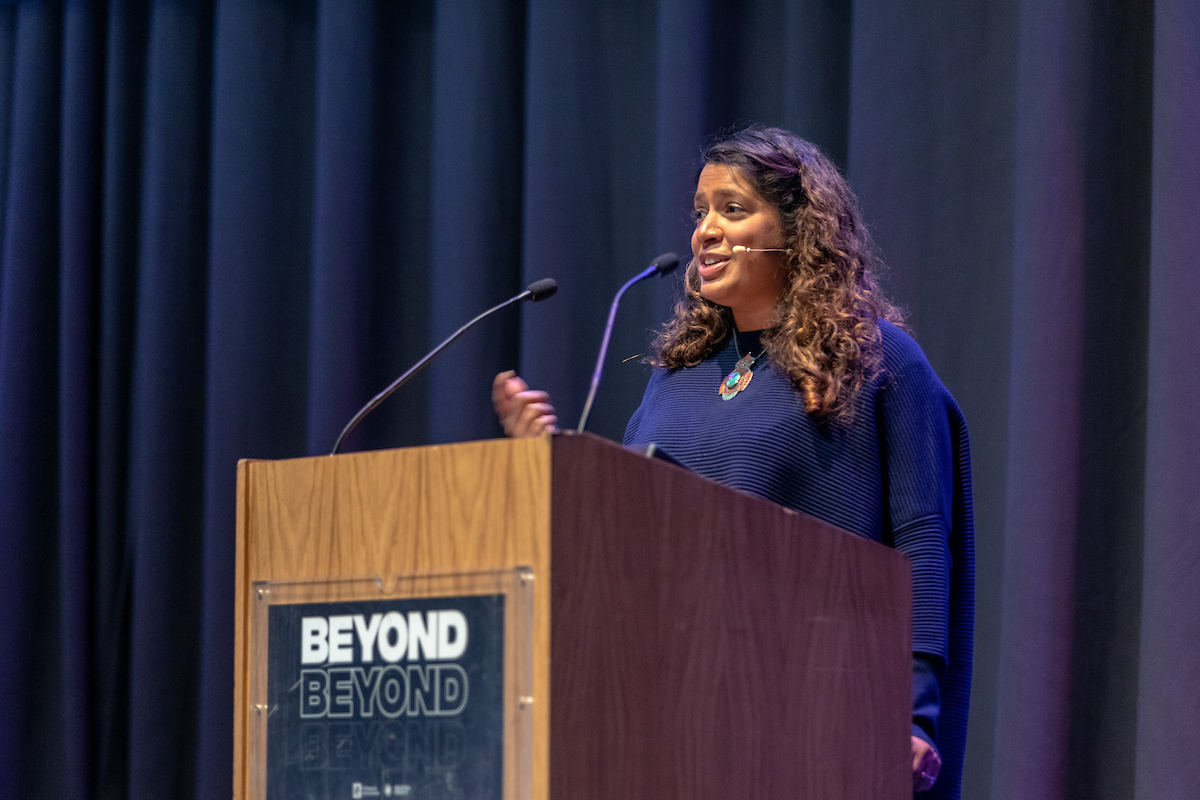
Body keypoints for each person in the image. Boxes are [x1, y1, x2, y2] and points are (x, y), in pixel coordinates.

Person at [493, 125, 973, 799]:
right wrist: (549, 468)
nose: (706, 232)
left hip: (812, 711)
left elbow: (921, 541)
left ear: (799, 230)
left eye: (732, 209)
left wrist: (912, 712)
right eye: (700, 214)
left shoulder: (878, 360)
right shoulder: (676, 376)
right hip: (669, 715)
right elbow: (629, 533)